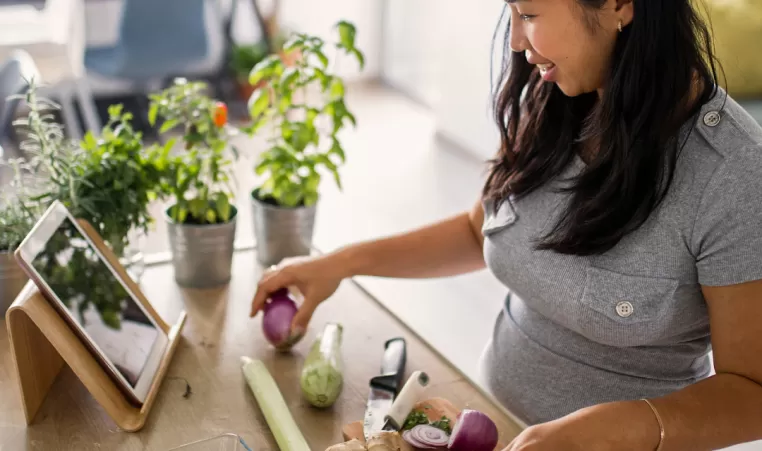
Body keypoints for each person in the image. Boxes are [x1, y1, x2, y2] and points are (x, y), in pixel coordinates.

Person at [251, 0, 762, 449]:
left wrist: (613, 430)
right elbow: (482, 231)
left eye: (531, 14)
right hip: (484, 424)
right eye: (511, 13)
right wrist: (341, 263)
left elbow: (751, 392)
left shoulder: (732, 173)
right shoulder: (556, 97)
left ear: (619, 5)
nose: (517, 42)